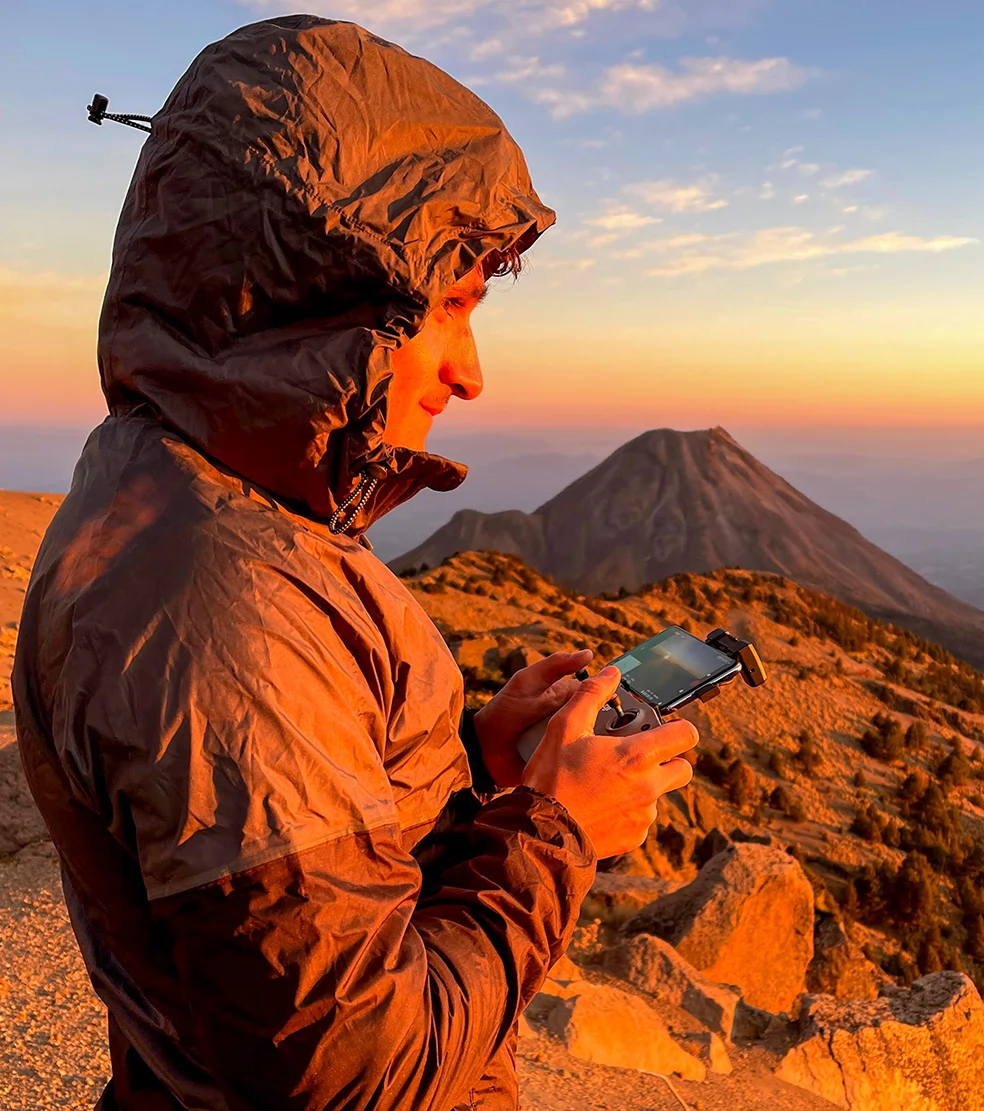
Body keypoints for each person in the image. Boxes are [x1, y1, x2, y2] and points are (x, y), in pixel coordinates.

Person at [13, 16, 697, 1111]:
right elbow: (350, 1070)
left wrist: (472, 766)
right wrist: (553, 834)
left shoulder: (181, 489)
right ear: (326, 295)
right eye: (454, 307)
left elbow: (292, 850)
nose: (470, 373)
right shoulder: (218, 601)